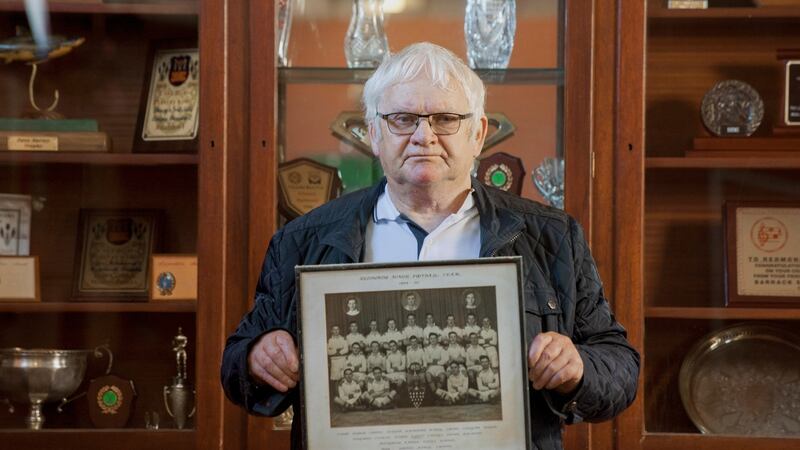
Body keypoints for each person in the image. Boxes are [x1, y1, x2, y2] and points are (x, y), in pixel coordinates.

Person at [221, 42, 639, 450]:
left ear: (478, 134)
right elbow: (235, 364)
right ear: (373, 134)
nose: (424, 135)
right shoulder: (302, 238)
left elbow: (620, 366)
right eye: (402, 119)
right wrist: (258, 358)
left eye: (445, 118)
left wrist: (578, 368)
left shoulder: (551, 236)